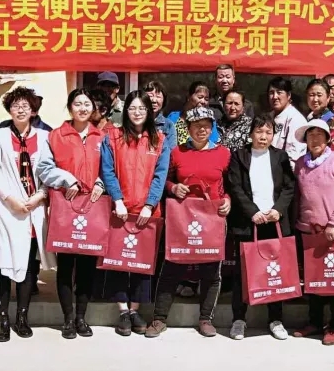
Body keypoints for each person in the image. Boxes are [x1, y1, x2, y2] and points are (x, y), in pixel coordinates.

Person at [146, 106, 232, 338]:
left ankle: (206, 319)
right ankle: (159, 318)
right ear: (188, 128)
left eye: (206, 126)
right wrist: (174, 187)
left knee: (211, 271)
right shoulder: (177, 152)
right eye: (196, 126)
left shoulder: (224, 153)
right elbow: (163, 180)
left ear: (212, 128)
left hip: (213, 219)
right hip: (182, 219)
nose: (201, 129)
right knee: (172, 266)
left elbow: (231, 185)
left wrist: (227, 200)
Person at [0, 86, 54, 342]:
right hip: (6, 209)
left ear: (34, 110)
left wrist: (40, 196)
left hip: (34, 209)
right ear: (9, 109)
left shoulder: (45, 137)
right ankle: (2, 320)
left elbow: (49, 171)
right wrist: (10, 199)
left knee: (28, 265)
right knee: (2, 265)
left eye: (26, 105)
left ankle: (22, 317)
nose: (21, 109)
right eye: (16, 105)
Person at [36, 88, 107, 339]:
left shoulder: (103, 137)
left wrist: (101, 182)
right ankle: (67, 318)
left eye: (87, 104)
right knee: (66, 266)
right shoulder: (55, 136)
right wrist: (67, 179)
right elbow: (44, 168)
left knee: (87, 266)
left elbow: (110, 167)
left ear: (93, 109)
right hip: (66, 207)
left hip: (93, 207)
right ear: (70, 108)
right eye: (77, 104)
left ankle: (81, 318)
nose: (82, 109)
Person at [99, 90, 171, 336]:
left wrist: (150, 204)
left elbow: (161, 174)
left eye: (142, 108)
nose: (137, 113)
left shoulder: (159, 139)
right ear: (125, 111)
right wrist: (117, 200)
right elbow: (107, 170)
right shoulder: (113, 137)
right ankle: (122, 311)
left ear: (149, 111)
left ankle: (135, 310)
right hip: (120, 210)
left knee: (142, 263)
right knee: (118, 261)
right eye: (132, 108)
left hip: (147, 212)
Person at [226, 114, 296, 341]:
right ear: (251, 133)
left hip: (274, 223)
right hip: (248, 224)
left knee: (275, 272)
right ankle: (239, 319)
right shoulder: (239, 156)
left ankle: (275, 319)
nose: (263, 137)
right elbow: (235, 187)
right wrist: (252, 212)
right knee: (242, 273)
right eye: (259, 131)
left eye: (268, 132)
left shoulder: (280, 157)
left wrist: (278, 210)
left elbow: (289, 187)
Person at [292, 119, 334, 346]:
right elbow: (299, 195)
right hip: (308, 230)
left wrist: (333, 223)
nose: (315, 139)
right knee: (313, 279)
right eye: (311, 135)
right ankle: (315, 321)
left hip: (333, 231)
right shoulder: (301, 163)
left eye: (320, 134)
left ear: (328, 138)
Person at [167, 80, 220, 146]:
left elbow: (214, 143)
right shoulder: (173, 117)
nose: (203, 101)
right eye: (200, 97)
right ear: (188, 97)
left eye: (206, 99)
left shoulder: (210, 120)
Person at [268, 76, 308, 161]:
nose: (275, 97)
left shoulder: (296, 119)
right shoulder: (268, 117)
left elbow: (293, 156)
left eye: (279, 92)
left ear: (288, 95)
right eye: (271, 92)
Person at [303, 79, 334, 153]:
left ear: (328, 97)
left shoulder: (333, 121)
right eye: (311, 95)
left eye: (319, 95)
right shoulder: (310, 119)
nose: (315, 99)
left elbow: (333, 153)